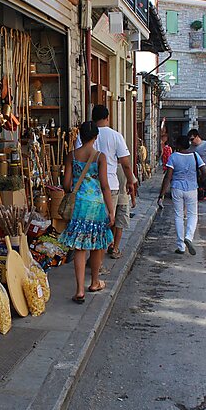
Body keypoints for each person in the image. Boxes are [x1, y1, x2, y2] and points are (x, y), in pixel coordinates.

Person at [59, 121, 115, 303]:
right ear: (95, 137)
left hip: (78, 205)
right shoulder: (100, 157)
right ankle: (95, 282)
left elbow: (66, 184)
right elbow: (105, 186)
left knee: (80, 247)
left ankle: (79, 290)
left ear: (79, 136)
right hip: (96, 205)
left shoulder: (71, 155)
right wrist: (111, 211)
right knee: (97, 243)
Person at [76, 105, 137, 260]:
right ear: (108, 118)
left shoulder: (82, 136)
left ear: (92, 117)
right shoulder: (116, 136)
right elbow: (125, 164)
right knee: (105, 225)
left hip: (87, 188)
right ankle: (98, 264)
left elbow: (77, 158)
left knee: (89, 225)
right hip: (110, 186)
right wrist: (130, 181)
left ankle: (90, 258)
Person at [157, 135, 206, 255]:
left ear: (178, 145)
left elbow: (168, 177)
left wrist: (161, 195)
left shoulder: (174, 157)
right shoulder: (195, 156)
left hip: (177, 188)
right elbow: (205, 172)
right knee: (192, 215)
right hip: (192, 189)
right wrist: (202, 182)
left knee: (178, 216)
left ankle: (181, 246)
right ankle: (189, 237)